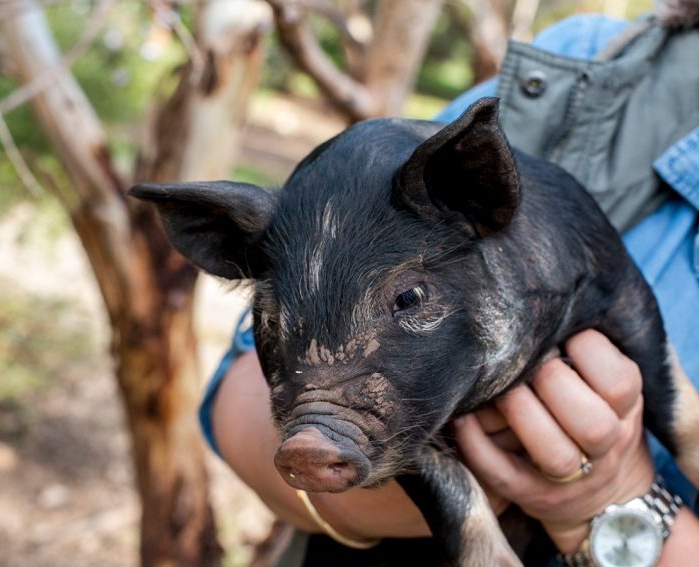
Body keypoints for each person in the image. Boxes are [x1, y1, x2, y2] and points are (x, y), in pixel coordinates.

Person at [201, 6, 699, 566]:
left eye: (410, 301)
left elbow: (624, 299)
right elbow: (236, 397)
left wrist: (608, 499)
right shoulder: (589, 66)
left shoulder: (565, 235)